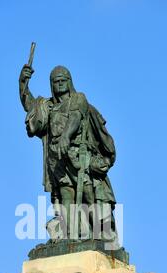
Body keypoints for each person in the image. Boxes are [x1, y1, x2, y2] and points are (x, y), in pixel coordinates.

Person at [19, 63, 117, 241]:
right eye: (56, 81)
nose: (60, 84)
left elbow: (75, 116)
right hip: (56, 159)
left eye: (63, 80)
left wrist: (66, 136)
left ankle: (99, 233)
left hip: (78, 155)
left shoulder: (79, 98)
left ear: (69, 81)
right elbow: (32, 109)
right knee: (66, 194)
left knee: (89, 192)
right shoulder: (49, 107)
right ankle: (71, 235)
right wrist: (23, 85)